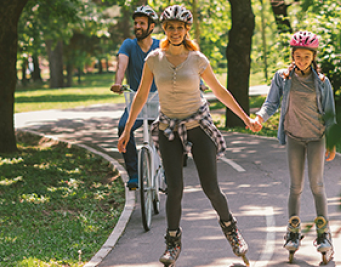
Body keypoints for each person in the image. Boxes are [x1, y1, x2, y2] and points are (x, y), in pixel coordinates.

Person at [117, 5, 259, 266]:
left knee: (211, 188)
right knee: (175, 190)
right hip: (169, 126)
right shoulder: (154, 60)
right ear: (164, 29)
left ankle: (232, 230)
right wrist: (127, 130)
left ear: (186, 30)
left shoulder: (197, 59)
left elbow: (220, 91)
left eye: (180, 28)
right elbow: (140, 96)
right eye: (170, 27)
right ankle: (172, 243)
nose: (174, 32)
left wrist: (246, 118)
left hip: (198, 124)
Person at [253, 31, 336, 261]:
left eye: (306, 57)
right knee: (295, 187)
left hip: (317, 137)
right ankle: (293, 231)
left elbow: (330, 114)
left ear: (313, 57)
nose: (302, 60)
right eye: (298, 56)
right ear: (292, 55)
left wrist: (333, 142)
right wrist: (260, 117)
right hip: (294, 137)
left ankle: (324, 234)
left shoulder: (321, 82)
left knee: (317, 185)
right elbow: (271, 103)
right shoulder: (283, 78)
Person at [110, 5, 160, 190]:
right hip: (136, 104)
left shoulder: (160, 46)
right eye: (136, 23)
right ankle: (134, 174)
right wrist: (118, 82)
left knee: (174, 131)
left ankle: (170, 173)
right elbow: (121, 65)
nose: (137, 26)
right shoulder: (128, 45)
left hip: (160, 103)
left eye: (142, 23)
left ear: (151, 26)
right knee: (124, 127)